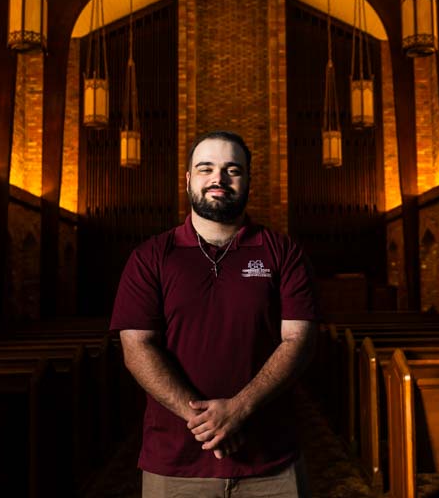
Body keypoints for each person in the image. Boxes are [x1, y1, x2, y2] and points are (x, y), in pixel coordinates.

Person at [110, 130, 319, 497]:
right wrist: (206, 422)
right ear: (188, 179)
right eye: (206, 168)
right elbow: (137, 348)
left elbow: (298, 340)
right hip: (175, 462)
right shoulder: (150, 256)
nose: (218, 179)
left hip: (271, 461)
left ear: (248, 180)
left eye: (232, 170)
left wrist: (239, 409)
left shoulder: (283, 252)